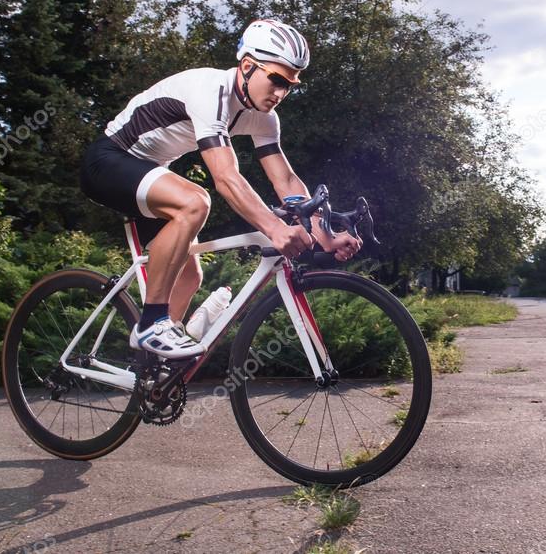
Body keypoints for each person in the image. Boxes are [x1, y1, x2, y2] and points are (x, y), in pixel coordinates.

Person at [80, 19, 361, 358]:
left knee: (189, 277)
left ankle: (152, 369)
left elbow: (285, 180)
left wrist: (323, 232)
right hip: (109, 161)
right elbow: (225, 177)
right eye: (276, 79)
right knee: (195, 202)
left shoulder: (264, 116)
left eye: (289, 85)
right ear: (246, 66)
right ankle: (150, 326)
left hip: (149, 174)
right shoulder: (211, 90)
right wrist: (274, 228)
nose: (280, 93)